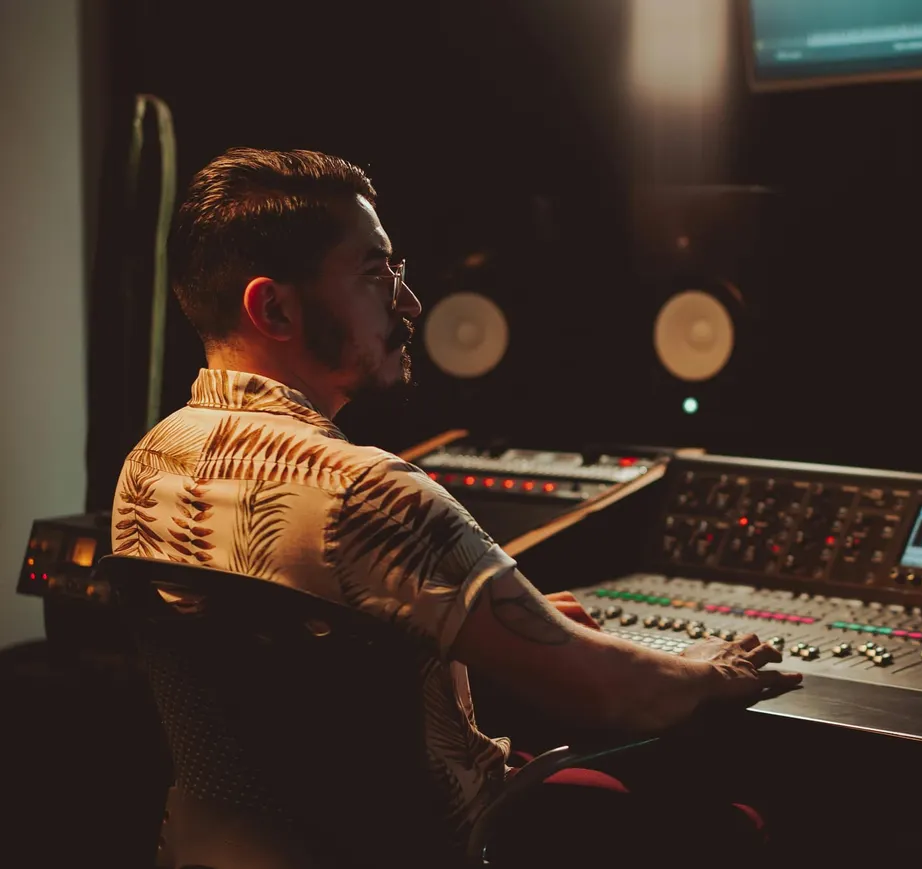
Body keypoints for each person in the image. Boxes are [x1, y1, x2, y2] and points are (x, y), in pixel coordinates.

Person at [112, 147, 800, 866]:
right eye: (375, 274)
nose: (408, 302)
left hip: (212, 850)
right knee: (733, 822)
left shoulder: (149, 462)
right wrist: (710, 668)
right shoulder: (369, 491)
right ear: (274, 306)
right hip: (440, 848)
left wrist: (465, 638)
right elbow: (613, 694)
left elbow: (293, 677)